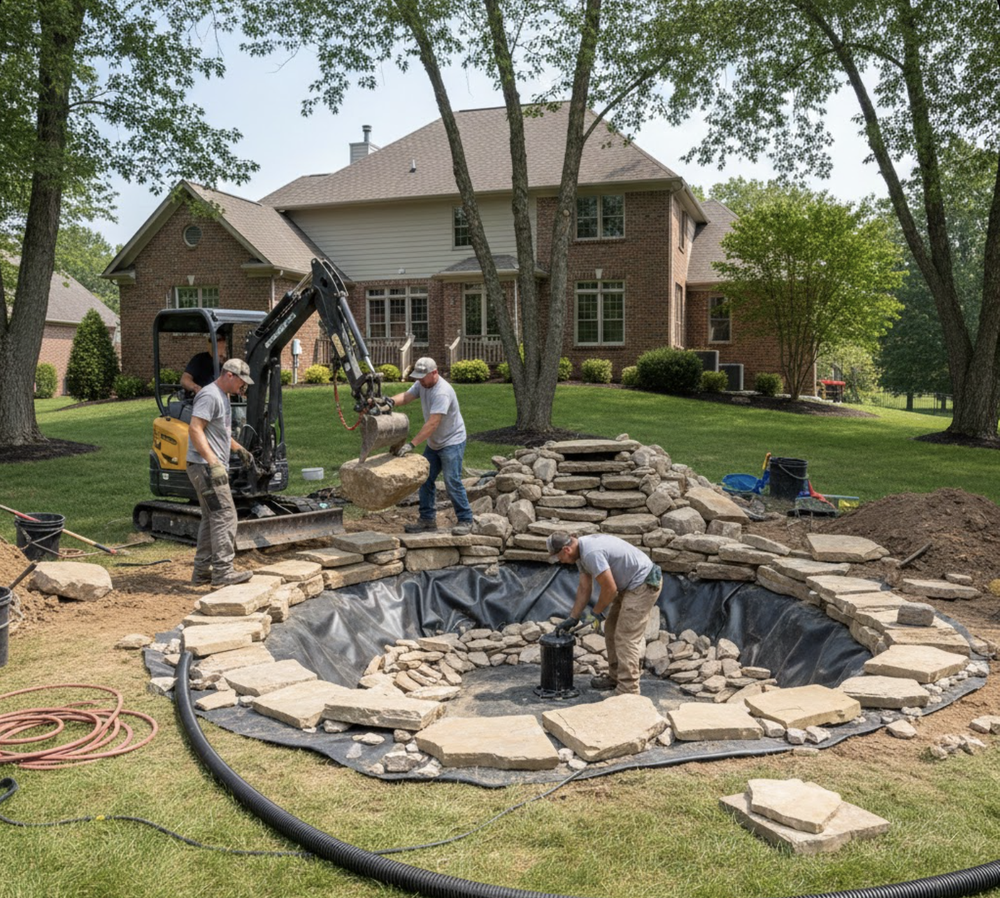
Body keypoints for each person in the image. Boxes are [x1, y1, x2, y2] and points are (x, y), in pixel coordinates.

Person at [547, 530, 663, 695]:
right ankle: (616, 677)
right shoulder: (579, 552)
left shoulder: (591, 554)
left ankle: (628, 689)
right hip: (629, 584)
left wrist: (596, 613)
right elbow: (584, 588)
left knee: (625, 636)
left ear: (566, 550)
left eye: (559, 557)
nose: (560, 561)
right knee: (611, 629)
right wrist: (573, 618)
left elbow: (610, 589)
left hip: (644, 583)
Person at [186, 358, 256, 587]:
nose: (243, 386)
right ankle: (223, 572)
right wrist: (213, 463)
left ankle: (201, 572)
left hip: (205, 466)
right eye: (241, 381)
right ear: (229, 375)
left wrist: (238, 449)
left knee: (212, 518)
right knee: (226, 515)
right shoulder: (210, 396)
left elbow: (219, 432)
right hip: (205, 468)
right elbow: (195, 429)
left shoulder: (223, 396)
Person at [388, 357, 474, 536]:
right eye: (417, 377)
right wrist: (389, 402)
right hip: (434, 443)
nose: (419, 380)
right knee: (425, 479)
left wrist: (411, 444)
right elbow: (406, 396)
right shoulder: (423, 383)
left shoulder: (442, 392)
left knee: (452, 481)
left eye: (422, 377)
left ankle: (466, 519)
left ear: (434, 373)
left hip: (452, 441)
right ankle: (427, 520)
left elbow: (433, 423)